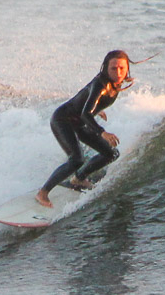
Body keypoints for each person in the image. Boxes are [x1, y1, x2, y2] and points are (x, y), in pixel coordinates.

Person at [36, 50, 131, 208]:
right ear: (106, 68)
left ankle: (79, 179)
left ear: (127, 68)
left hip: (78, 122)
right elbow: (86, 114)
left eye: (122, 68)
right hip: (63, 120)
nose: (118, 72)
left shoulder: (116, 83)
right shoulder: (101, 85)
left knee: (111, 153)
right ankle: (43, 192)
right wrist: (103, 132)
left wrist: (97, 107)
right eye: (113, 68)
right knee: (76, 159)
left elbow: (84, 95)